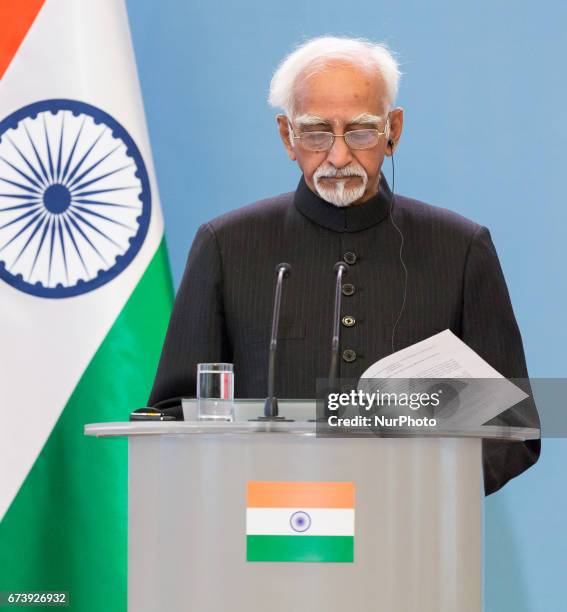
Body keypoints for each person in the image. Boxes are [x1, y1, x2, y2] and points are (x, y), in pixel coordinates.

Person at [148, 36, 539, 494]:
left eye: (360, 131)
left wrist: (429, 490)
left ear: (393, 129)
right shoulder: (225, 245)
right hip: (267, 537)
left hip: (413, 535)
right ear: (286, 136)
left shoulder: (461, 248)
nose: (337, 156)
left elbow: (512, 428)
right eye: (316, 132)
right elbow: (175, 412)